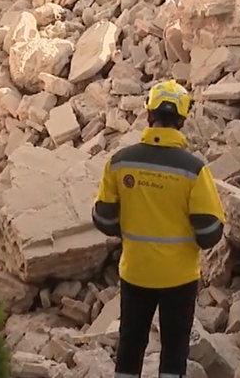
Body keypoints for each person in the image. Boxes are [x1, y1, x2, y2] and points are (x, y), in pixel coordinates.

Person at [91, 80, 226, 378]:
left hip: (135, 271)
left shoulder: (120, 162)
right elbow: (209, 232)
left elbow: (103, 219)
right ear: (181, 121)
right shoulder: (194, 169)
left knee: (130, 344)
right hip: (179, 278)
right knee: (174, 349)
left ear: (148, 115)